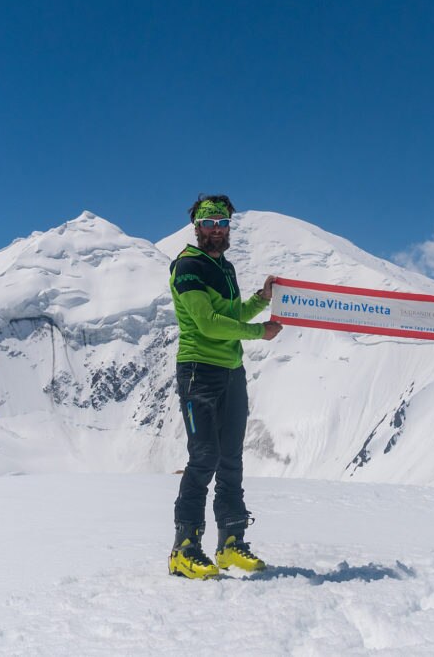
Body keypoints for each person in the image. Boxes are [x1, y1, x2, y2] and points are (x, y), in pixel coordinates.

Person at [167, 194, 283, 579]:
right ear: (197, 227)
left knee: (231, 458)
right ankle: (184, 548)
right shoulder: (188, 266)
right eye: (210, 223)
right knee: (205, 457)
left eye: (223, 223)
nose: (217, 230)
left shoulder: (224, 267)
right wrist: (258, 332)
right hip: (199, 371)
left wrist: (260, 300)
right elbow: (207, 323)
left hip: (231, 372)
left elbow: (229, 313)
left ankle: (231, 542)